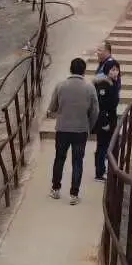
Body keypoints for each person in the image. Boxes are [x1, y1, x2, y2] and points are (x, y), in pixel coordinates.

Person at [46, 58, 99, 203]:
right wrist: (89, 126)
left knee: (59, 159)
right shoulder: (90, 88)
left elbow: (52, 107)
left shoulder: (60, 86)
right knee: (77, 162)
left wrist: (58, 113)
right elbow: (95, 111)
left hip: (62, 128)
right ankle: (74, 195)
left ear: (70, 69)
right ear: (84, 71)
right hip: (81, 130)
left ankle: (55, 189)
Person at [93, 62, 121, 182]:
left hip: (111, 119)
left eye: (117, 70)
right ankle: (99, 173)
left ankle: (103, 169)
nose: (115, 72)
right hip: (105, 121)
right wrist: (104, 123)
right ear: (107, 71)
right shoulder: (104, 85)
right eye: (112, 70)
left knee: (107, 146)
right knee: (102, 146)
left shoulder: (114, 83)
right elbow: (101, 106)